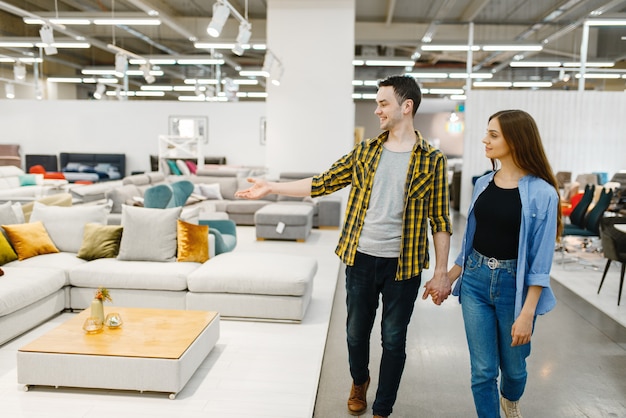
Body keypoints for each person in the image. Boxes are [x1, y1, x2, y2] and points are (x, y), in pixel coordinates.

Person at [235, 75, 453, 418]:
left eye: (383, 103)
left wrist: (441, 272)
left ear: (406, 106)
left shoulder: (432, 159)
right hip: (361, 259)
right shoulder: (367, 151)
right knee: (355, 335)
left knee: (394, 341)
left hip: (404, 266)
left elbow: (440, 219)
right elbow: (323, 182)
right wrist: (271, 187)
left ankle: (383, 408)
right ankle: (359, 380)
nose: (377, 109)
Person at [430, 109, 561, 418]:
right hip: (474, 283)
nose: (484, 140)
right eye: (486, 133)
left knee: (514, 370)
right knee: (483, 370)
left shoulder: (544, 194)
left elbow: (541, 265)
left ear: (515, 140)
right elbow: (471, 241)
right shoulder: (483, 183)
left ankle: (510, 399)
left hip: (513, 288)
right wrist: (448, 277)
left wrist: (527, 314)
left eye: (493, 134)